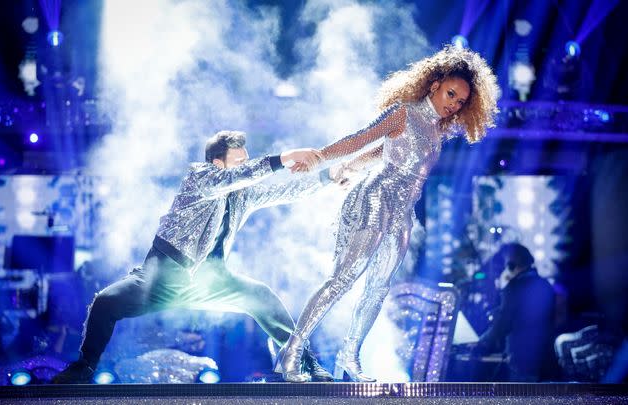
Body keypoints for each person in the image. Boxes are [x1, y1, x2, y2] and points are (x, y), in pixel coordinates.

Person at [277, 46, 500, 382]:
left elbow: (384, 151)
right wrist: (321, 158)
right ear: (434, 84)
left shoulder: (437, 130)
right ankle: (292, 350)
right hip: (377, 199)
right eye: (451, 94)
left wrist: (352, 166)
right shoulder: (404, 112)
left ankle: (349, 356)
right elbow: (362, 138)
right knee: (343, 279)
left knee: (378, 288)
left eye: (460, 102)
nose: (453, 104)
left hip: (403, 213)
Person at [52, 130, 334, 383]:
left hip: (210, 280)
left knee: (262, 297)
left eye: (247, 161)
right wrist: (285, 158)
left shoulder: (242, 196)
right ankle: (85, 366)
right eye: (239, 162)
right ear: (217, 164)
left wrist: (328, 178)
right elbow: (240, 177)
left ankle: (306, 362)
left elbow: (284, 190)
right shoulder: (198, 177)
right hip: (161, 276)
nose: (246, 168)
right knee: (105, 303)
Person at [473, 243, 556, 382]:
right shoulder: (545, 285)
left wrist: (481, 344)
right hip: (544, 358)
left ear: (511, 264)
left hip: (522, 359)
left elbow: (503, 323)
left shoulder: (514, 287)